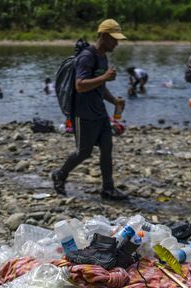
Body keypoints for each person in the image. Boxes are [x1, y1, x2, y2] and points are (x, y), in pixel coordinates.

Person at [51, 19, 128, 201]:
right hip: (83, 113)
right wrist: (105, 77)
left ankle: (108, 188)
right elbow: (80, 86)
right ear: (103, 36)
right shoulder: (87, 56)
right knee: (84, 152)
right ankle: (59, 175)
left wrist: (113, 100)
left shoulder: (102, 56)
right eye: (114, 39)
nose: (116, 43)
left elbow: (99, 87)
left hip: (99, 112)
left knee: (107, 148)